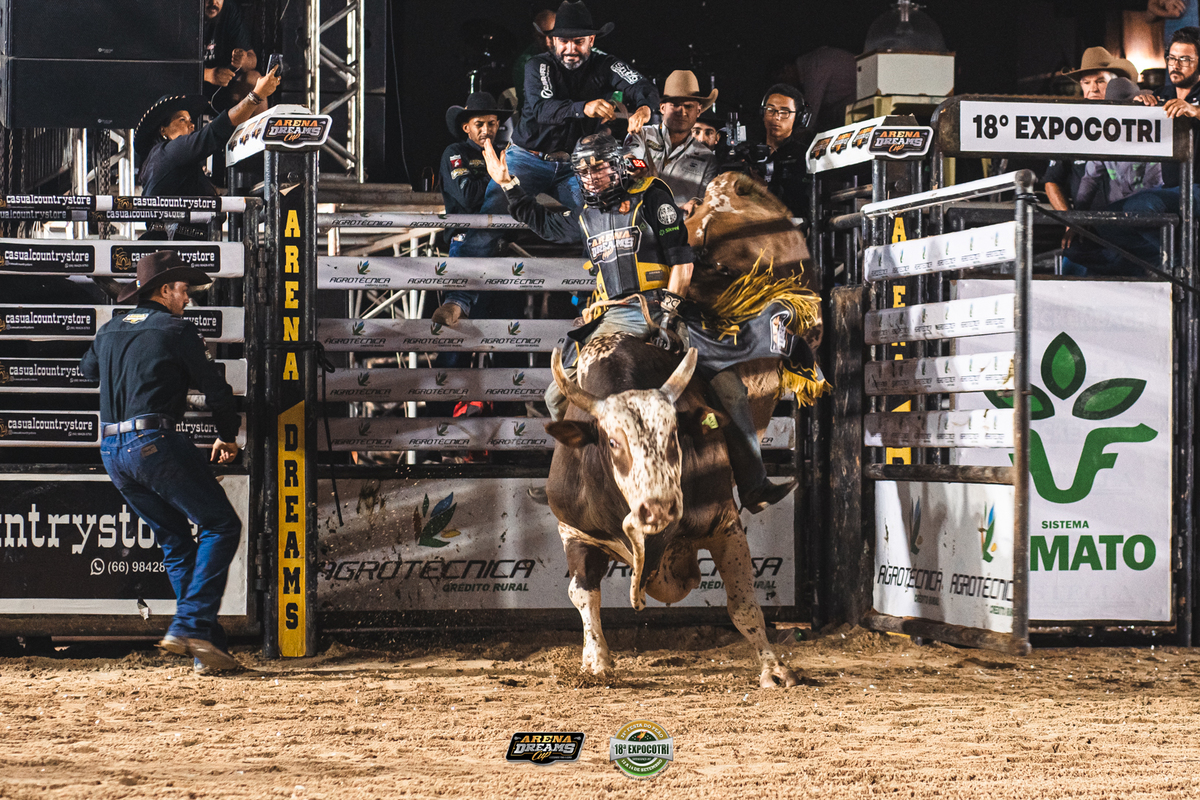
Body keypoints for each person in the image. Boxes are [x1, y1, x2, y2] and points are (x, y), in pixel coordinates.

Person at [482, 133, 796, 512]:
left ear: (617, 165)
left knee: (730, 390)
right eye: (584, 171)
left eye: (599, 167)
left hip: (664, 304)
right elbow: (544, 224)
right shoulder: (585, 215)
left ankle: (754, 484)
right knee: (555, 396)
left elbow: (682, 262)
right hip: (613, 314)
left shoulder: (653, 197)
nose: (592, 176)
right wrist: (509, 186)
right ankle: (574, 484)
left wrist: (669, 314)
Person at [433, 0, 659, 326]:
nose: (571, 48)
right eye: (564, 40)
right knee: (488, 219)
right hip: (528, 158)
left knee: (600, 219)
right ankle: (457, 301)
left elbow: (641, 84)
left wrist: (645, 107)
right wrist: (585, 108)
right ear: (552, 40)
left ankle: (595, 304)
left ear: (591, 41)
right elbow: (543, 108)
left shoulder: (606, 63)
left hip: (574, 166)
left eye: (578, 41)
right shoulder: (538, 65)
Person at [79, 252, 243, 674]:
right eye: (183, 290)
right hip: (153, 442)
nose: (187, 299)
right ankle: (190, 626)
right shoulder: (176, 329)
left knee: (175, 541)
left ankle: (207, 650)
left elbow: (87, 370)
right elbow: (217, 391)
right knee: (221, 525)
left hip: (113, 452)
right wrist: (228, 434)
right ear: (165, 290)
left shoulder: (110, 329)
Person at [135, 66, 280, 239]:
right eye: (182, 120)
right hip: (176, 246)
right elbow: (215, 131)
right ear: (163, 130)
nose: (191, 125)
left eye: (190, 120)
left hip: (181, 245)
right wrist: (256, 95)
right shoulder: (168, 151)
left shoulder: (165, 163)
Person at [1043, 48, 1139, 251]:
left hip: (1133, 228)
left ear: (1115, 83)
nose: (1093, 89)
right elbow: (1052, 181)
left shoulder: (1136, 121)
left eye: (1100, 81)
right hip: (1087, 232)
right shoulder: (1070, 129)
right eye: (1086, 82)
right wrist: (1071, 221)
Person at [625, 70, 719, 214]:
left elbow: (706, 200)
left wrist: (697, 204)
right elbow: (629, 158)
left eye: (688, 106)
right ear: (662, 108)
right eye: (675, 105)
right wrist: (631, 164)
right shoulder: (642, 134)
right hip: (638, 220)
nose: (682, 112)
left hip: (680, 225)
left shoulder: (708, 159)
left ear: (698, 110)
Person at [734, 84, 812, 219]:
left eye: (785, 112)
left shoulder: (805, 155)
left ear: (799, 118)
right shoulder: (748, 153)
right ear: (763, 113)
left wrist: (765, 190)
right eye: (770, 110)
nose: (776, 117)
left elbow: (803, 203)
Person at [203, 0, 266, 114]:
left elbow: (252, 60)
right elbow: (171, 69)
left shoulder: (229, 9)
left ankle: (259, 126)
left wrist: (244, 59)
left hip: (223, 87)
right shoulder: (182, 11)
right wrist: (208, 74)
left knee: (254, 80)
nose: (214, 2)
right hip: (189, 86)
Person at [512, 9, 556, 112]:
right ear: (535, 36)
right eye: (541, 37)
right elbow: (531, 105)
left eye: (551, 36)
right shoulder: (524, 63)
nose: (547, 43)